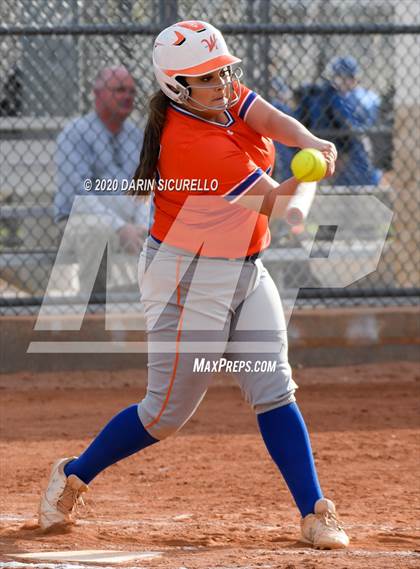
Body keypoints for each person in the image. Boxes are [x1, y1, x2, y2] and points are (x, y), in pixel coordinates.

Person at [38, 21, 349, 550]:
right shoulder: (191, 142)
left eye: (226, 70)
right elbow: (277, 203)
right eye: (209, 77)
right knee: (164, 415)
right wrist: (314, 173)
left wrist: (310, 142)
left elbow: (269, 117)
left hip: (246, 268)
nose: (225, 83)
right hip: (187, 279)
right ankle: (74, 472)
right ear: (178, 88)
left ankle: (314, 511)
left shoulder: (223, 101)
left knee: (273, 388)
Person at [54, 66, 149, 295]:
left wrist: (141, 225)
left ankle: (141, 310)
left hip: (129, 222)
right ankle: (93, 309)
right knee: (98, 232)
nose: (127, 96)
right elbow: (77, 195)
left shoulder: (135, 136)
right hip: (78, 221)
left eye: (131, 91)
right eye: (119, 90)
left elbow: (145, 188)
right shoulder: (75, 133)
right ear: (98, 94)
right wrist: (119, 227)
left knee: (164, 233)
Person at [296, 56, 382, 186]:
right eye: (340, 77)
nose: (343, 82)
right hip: (331, 148)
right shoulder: (327, 96)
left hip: (344, 151)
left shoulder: (356, 97)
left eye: (347, 78)